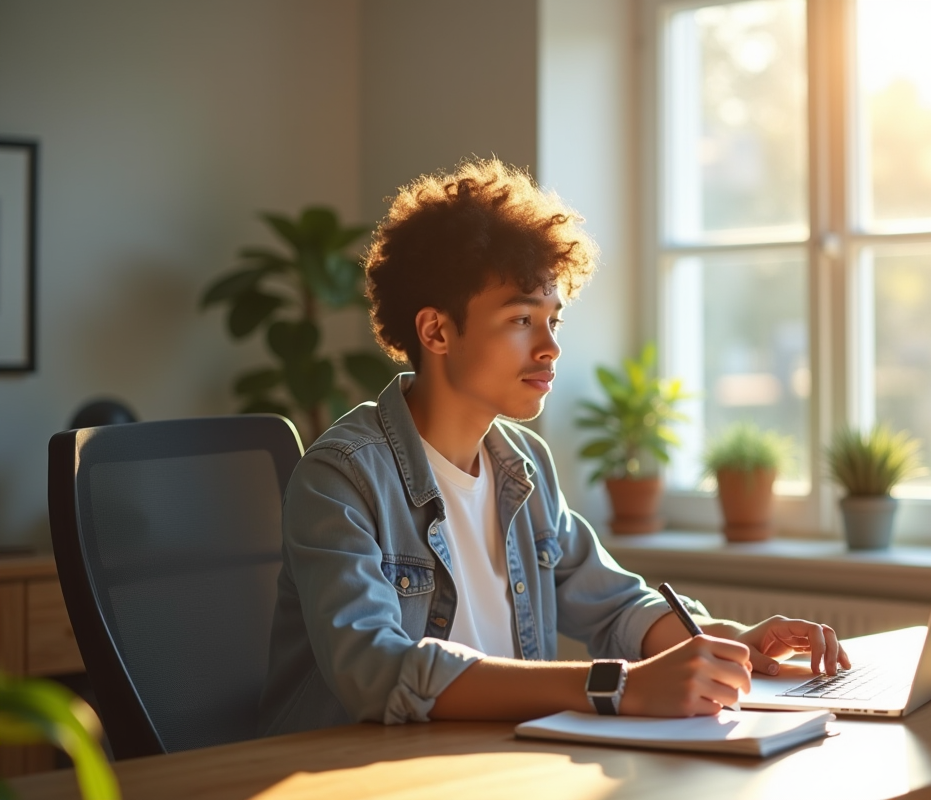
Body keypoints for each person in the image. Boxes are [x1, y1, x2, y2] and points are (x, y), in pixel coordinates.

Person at [258, 158, 851, 736]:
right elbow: (376, 671)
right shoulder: (341, 477)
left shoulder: (523, 465)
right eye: (521, 320)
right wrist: (617, 687)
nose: (549, 348)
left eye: (554, 321)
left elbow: (615, 605)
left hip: (494, 771)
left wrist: (724, 639)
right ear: (436, 330)